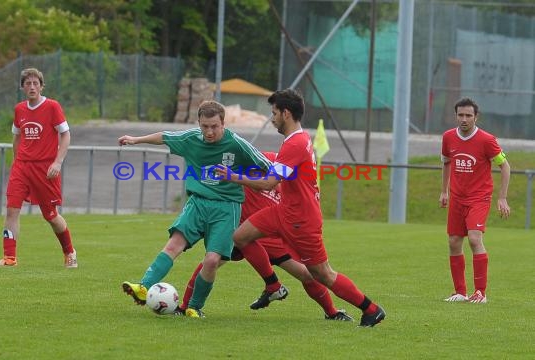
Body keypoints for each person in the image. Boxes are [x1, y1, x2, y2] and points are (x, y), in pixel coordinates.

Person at [215, 89, 385, 327]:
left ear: (286, 113)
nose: (271, 118)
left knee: (322, 274)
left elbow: (269, 183)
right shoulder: (298, 140)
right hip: (284, 211)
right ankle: (273, 285)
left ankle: (371, 309)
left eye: (274, 113)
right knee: (241, 237)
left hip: (301, 220)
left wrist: (233, 176)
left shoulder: (295, 144)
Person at [118, 100, 283, 318]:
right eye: (205, 126)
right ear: (199, 123)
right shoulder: (192, 138)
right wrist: (136, 140)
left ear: (223, 124)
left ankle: (195, 307)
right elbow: (164, 136)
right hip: (197, 203)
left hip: (226, 208)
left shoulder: (238, 144)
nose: (209, 131)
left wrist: (281, 189)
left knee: (212, 260)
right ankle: (143, 286)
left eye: (214, 126)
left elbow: (269, 166)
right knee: (173, 245)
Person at [177, 152, 353, 321]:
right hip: (243, 230)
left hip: (272, 236)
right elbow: (241, 165)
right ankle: (185, 307)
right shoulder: (268, 159)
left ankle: (331, 312)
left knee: (307, 274)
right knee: (211, 261)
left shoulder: (298, 183)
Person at [0, 67, 77, 268]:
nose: (32, 87)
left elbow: (65, 135)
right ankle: (9, 258)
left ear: (41, 86)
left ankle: (69, 252)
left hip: (45, 169)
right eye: (27, 83)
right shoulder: (19, 109)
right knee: (11, 210)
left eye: (35, 83)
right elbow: (17, 136)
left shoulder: (52, 107)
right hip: (22, 167)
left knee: (51, 215)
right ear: (22, 87)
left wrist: (57, 162)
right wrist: (16, 162)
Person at [439, 97, 511, 304]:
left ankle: (481, 292)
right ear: (455, 116)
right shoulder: (448, 137)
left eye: (468, 115)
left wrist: (503, 197)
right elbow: (446, 163)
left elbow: (504, 166)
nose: (464, 119)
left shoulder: (486, 140)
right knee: (453, 241)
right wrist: (444, 191)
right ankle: (460, 292)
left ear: (476, 117)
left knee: (474, 238)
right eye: (460, 115)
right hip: (457, 198)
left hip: (479, 197)